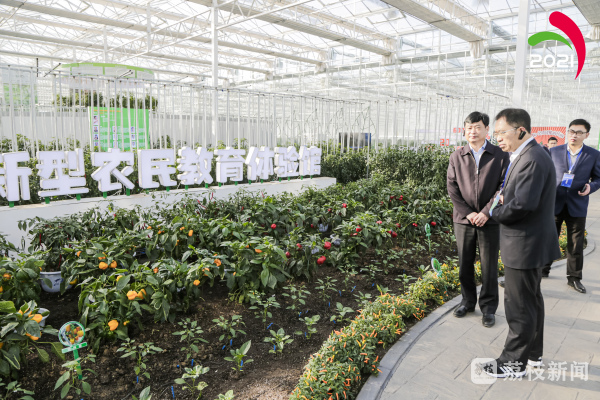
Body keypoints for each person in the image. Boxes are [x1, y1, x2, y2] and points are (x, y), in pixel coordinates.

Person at [481, 108, 561, 378]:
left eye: (502, 133)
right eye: (496, 134)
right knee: (531, 301)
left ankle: (512, 363)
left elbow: (522, 205)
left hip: (524, 244)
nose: (498, 139)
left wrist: (495, 212)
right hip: (529, 242)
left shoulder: (532, 158)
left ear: (521, 130)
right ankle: (532, 355)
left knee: (519, 306)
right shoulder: (528, 155)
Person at [446, 112, 509, 328]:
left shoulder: (499, 155)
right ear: (464, 130)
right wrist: (469, 213)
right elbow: (452, 188)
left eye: (477, 127)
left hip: (489, 220)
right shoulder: (457, 156)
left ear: (486, 130)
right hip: (464, 220)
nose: (473, 131)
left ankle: (489, 308)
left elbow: (503, 186)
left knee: (489, 265)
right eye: (469, 127)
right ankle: (467, 301)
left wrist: (486, 212)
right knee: (465, 263)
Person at [543, 119, 600, 293]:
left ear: (586, 135)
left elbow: (598, 178)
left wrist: (591, 187)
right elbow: (544, 174)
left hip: (577, 204)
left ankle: (574, 278)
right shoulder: (554, 151)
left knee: (576, 244)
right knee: (547, 239)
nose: (574, 135)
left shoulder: (593, 154)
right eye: (571, 131)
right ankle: (542, 269)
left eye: (579, 132)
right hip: (554, 203)